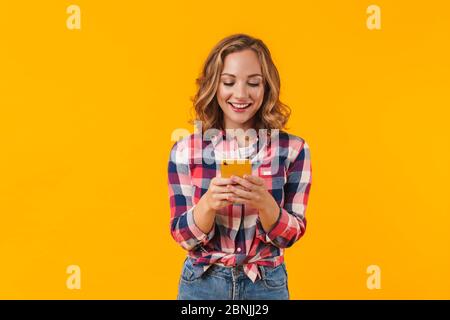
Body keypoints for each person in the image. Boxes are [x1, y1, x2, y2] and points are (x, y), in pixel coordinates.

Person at [167, 33, 312, 300]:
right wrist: (208, 204)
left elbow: (289, 237)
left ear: (267, 86)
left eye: (254, 83)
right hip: (202, 284)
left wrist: (266, 204)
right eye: (229, 82)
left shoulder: (292, 150)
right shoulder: (186, 151)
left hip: (266, 284)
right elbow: (184, 237)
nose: (241, 94)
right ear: (214, 86)